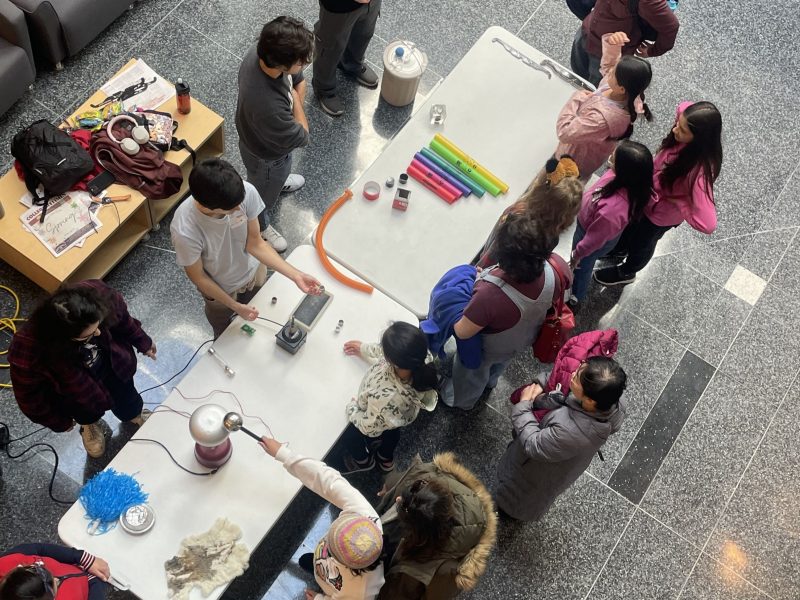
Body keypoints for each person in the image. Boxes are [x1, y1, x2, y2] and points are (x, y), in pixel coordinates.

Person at [170, 158, 321, 339]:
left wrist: (296, 275)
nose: (239, 208)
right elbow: (199, 278)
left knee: (261, 312)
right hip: (221, 290)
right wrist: (235, 307)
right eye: (233, 209)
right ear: (209, 206)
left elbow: (256, 243)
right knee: (223, 329)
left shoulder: (245, 191)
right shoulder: (185, 229)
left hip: (254, 272)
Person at [8, 281, 155, 458]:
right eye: (89, 335)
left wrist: (143, 342)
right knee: (85, 411)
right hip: (74, 390)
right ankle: (89, 425)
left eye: (98, 326)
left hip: (113, 365)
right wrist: (59, 422)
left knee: (127, 397)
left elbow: (124, 320)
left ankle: (133, 414)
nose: (99, 334)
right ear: (64, 337)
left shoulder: (98, 294)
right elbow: (29, 398)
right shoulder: (28, 348)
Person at [444, 214, 570, 411]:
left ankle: (463, 400)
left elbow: (462, 331)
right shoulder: (557, 268)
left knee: (473, 371)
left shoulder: (490, 295)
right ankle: (491, 382)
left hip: (490, 345)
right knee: (500, 362)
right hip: (526, 336)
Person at [594, 101, 722, 286]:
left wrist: (680, 202)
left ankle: (627, 271)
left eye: (683, 130)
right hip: (645, 197)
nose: (676, 129)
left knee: (642, 243)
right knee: (629, 227)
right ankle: (619, 249)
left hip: (659, 216)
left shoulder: (698, 172)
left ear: (699, 138)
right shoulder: (686, 121)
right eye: (678, 123)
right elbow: (682, 107)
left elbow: (708, 224)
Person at [496, 356, 627, 521]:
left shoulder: (571, 432)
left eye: (577, 377)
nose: (573, 374)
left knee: (517, 497)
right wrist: (543, 383)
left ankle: (507, 512)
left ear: (589, 400)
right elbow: (561, 375)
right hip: (562, 461)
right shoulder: (614, 399)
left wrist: (523, 406)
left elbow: (533, 444)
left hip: (534, 473)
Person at [259, 437, 385, 600]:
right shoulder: (366, 517)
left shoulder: (360, 593)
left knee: (313, 565)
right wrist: (283, 454)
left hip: (332, 584)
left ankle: (318, 570)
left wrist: (320, 598)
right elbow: (327, 480)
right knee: (308, 561)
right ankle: (316, 566)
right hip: (325, 565)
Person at [236, 16, 314, 252]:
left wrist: (293, 88)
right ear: (281, 65)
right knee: (261, 196)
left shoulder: (262, 52)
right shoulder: (267, 105)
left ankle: (277, 183)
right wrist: (296, 100)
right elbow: (303, 135)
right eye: (301, 62)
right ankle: (261, 225)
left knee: (274, 178)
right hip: (267, 156)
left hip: (255, 139)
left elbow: (297, 80)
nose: (304, 65)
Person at [375, 453, 496, 599]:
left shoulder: (435, 573)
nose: (398, 498)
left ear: (417, 532)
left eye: (403, 506)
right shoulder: (429, 481)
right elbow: (408, 479)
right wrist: (391, 483)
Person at [341, 322, 438, 473]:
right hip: (397, 416)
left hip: (376, 413)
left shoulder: (387, 398)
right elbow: (386, 352)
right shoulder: (422, 357)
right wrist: (364, 348)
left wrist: (352, 409)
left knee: (349, 436)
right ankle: (385, 459)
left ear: (392, 361)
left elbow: (367, 427)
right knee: (392, 432)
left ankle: (363, 462)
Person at [557, 31, 653, 182]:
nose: (609, 74)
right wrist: (613, 45)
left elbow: (565, 132)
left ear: (621, 88)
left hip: (574, 159)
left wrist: (576, 98)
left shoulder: (603, 119)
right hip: (584, 144)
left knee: (562, 187)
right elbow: (609, 66)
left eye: (613, 74)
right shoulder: (626, 92)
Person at [569, 140, 653, 305]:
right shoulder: (626, 181)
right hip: (597, 230)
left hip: (587, 236)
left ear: (624, 171)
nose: (610, 157)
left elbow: (593, 240)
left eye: (614, 158)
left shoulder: (611, 212)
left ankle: (575, 297)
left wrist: (577, 254)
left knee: (582, 267)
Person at [475, 156, 583, 270]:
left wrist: (480, 270)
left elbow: (493, 251)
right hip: (515, 272)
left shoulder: (516, 217)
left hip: (492, 266)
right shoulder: (554, 234)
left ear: (539, 191)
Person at [571, 0, 679, 86]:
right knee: (576, 74)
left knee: (597, 89)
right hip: (587, 32)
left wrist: (653, 50)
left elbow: (671, 27)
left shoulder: (647, 2)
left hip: (606, 53)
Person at [313, 0, 381, 117]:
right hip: (340, 6)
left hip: (371, 3)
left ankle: (352, 64)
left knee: (364, 32)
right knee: (330, 47)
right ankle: (324, 88)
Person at [0, 543, 110, 600]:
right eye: (55, 584)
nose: (57, 578)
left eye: (39, 565)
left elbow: (40, 549)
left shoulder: (6, 562)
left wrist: (82, 558)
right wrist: (97, 582)